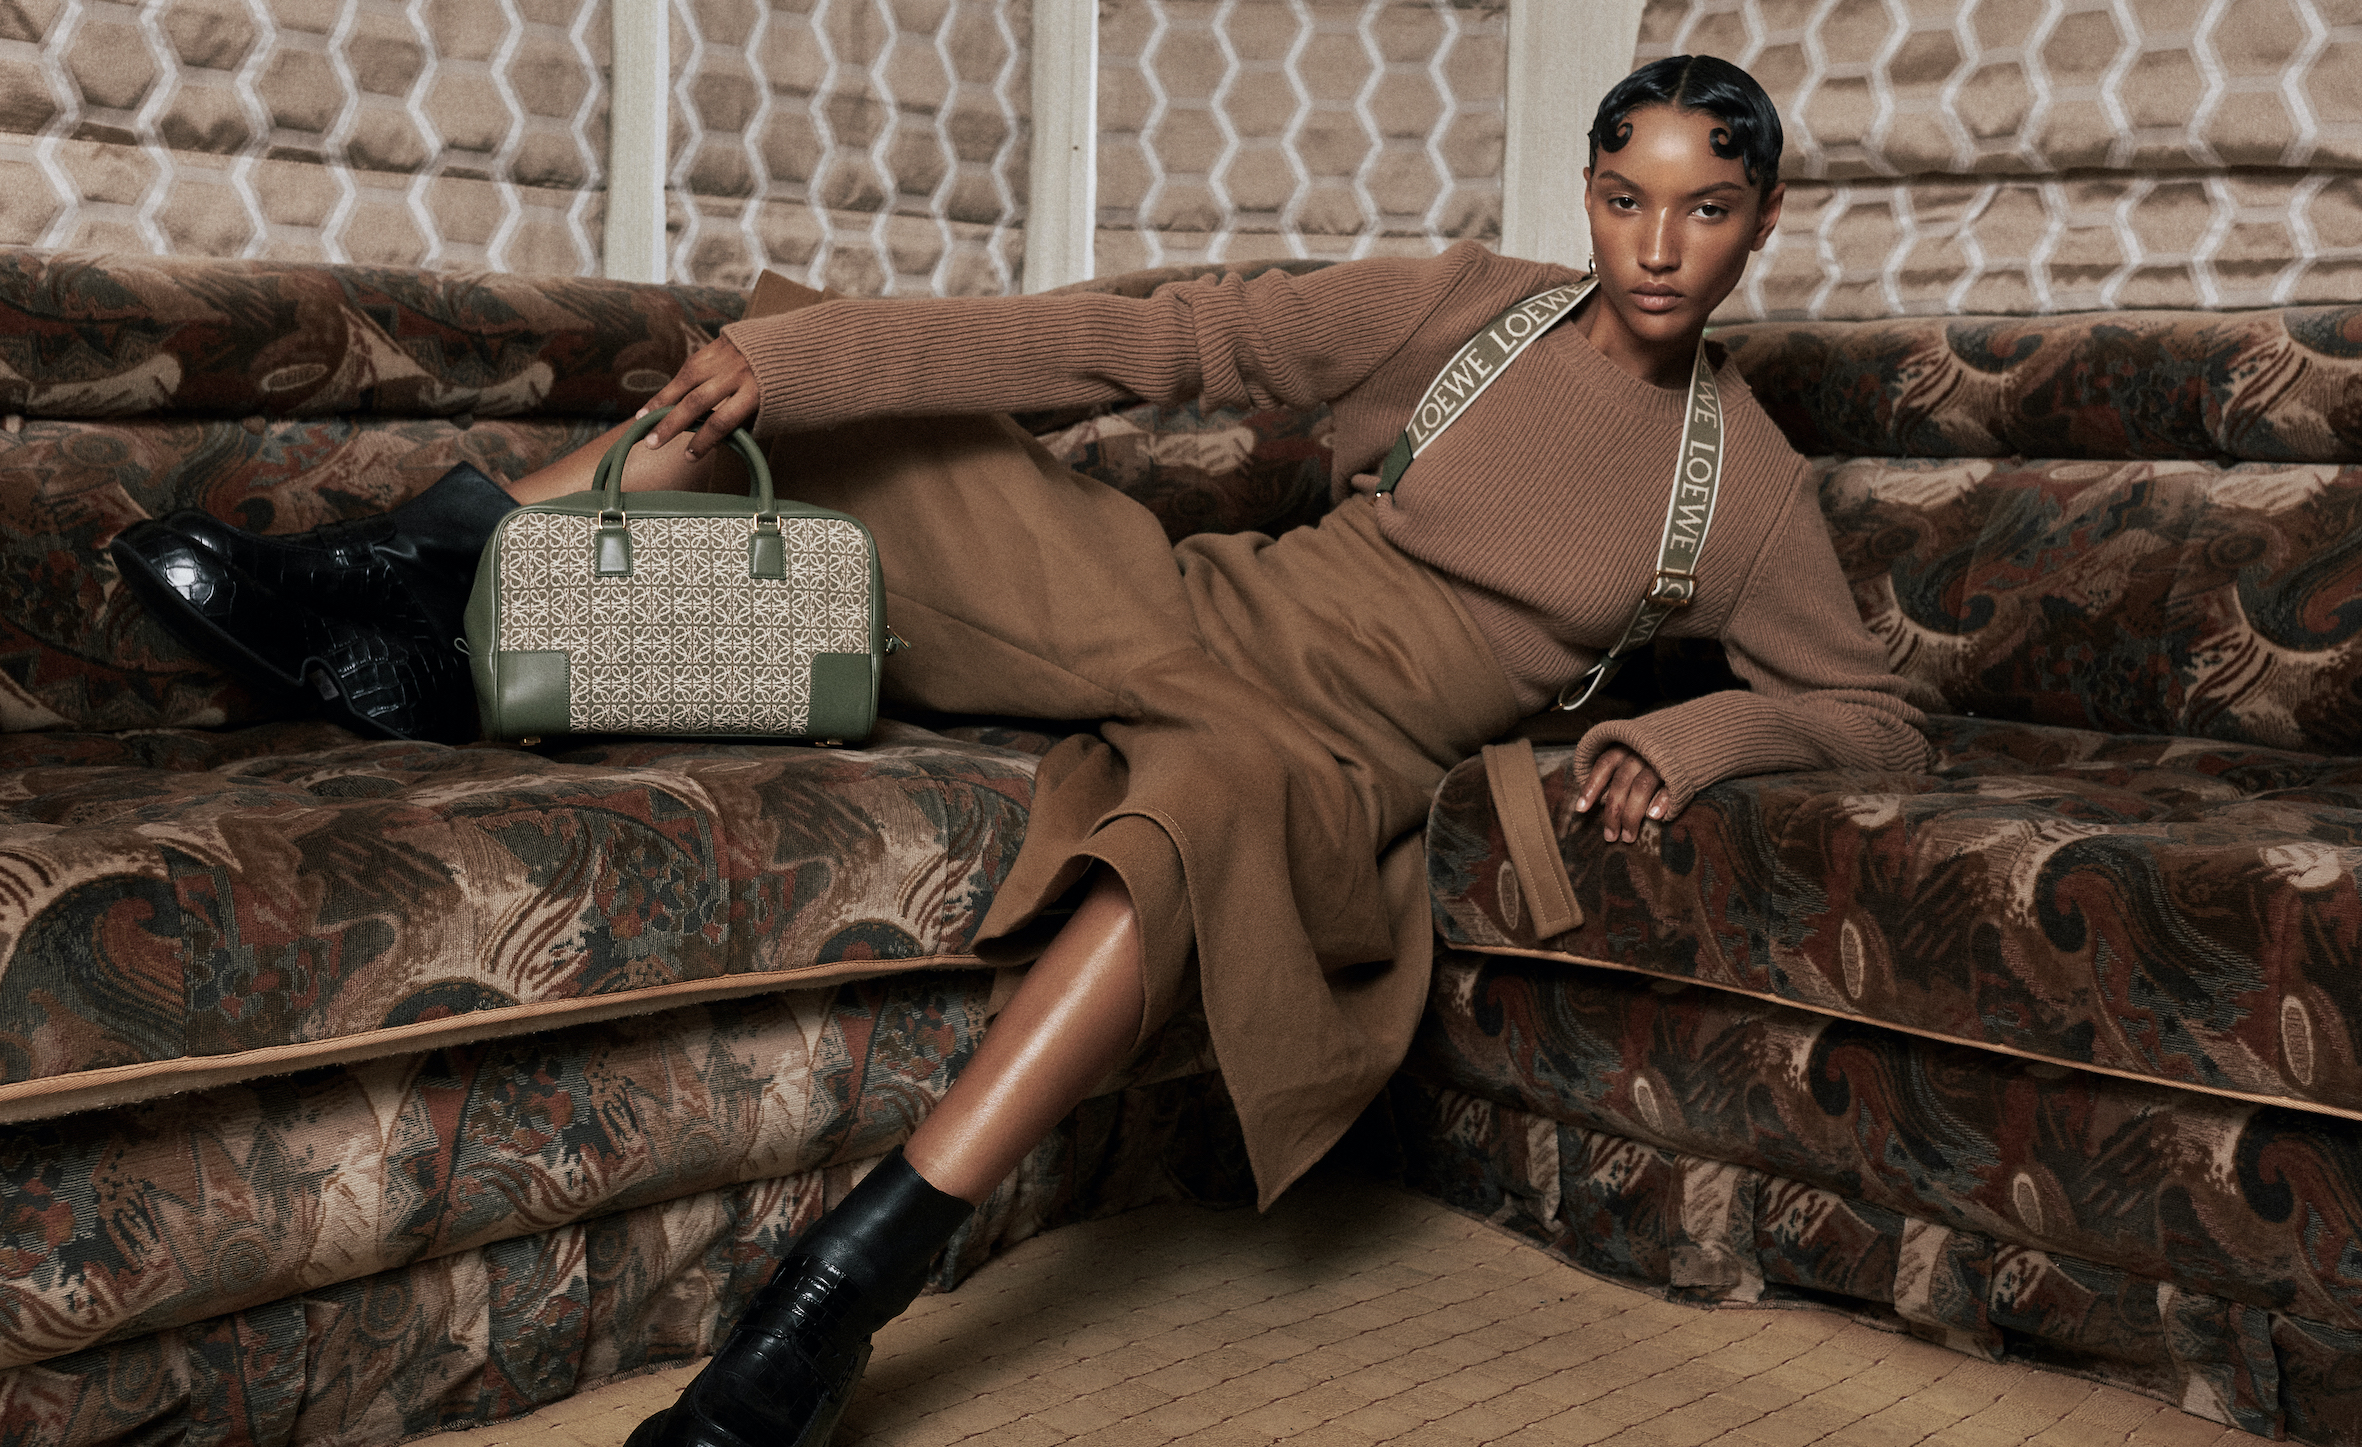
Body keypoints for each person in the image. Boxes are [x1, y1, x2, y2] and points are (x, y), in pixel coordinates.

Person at [111, 55, 1930, 1447]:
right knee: (824, 391)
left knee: (1203, 815)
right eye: (1624, 199)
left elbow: (1870, 709)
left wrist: (1692, 730)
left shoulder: (1747, 489)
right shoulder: (1473, 304)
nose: (1655, 248)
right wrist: (815, 361)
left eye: (1702, 211)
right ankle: (415, 595)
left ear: (1761, 219)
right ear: (1588, 193)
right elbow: (1153, 339)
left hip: (1335, 751)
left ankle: (826, 1307)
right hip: (1189, 611)